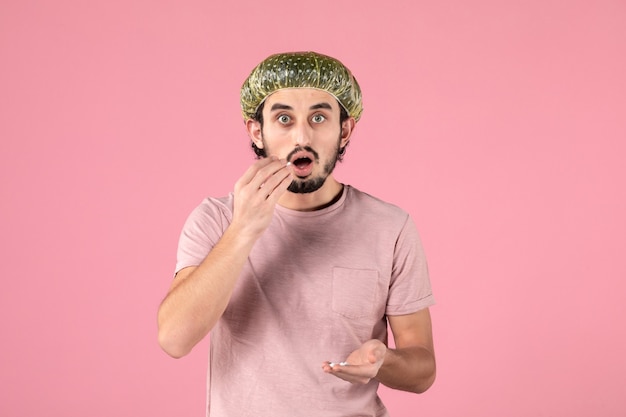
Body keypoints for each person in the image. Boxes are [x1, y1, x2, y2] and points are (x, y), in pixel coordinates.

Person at [157, 51, 436, 417]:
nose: (302, 136)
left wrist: (383, 360)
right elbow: (175, 339)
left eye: (319, 117)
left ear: (344, 130)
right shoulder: (216, 219)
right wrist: (243, 229)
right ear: (257, 132)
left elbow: (422, 371)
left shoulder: (390, 227)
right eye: (284, 119)